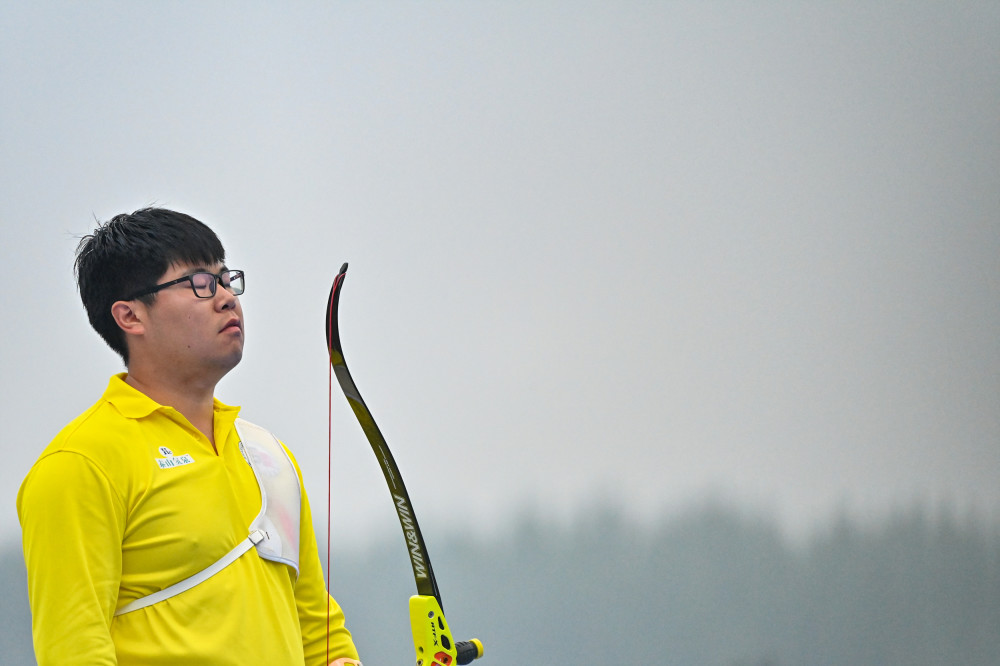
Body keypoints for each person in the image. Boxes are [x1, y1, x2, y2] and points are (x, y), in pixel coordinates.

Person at [16, 208, 362, 666]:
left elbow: (320, 636)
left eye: (226, 279)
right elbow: (74, 650)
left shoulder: (267, 455)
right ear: (130, 316)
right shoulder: (80, 462)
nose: (225, 298)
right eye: (199, 283)